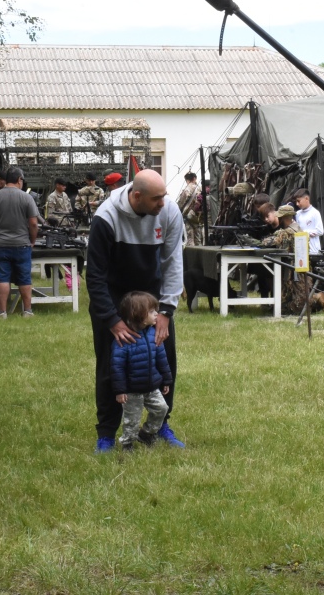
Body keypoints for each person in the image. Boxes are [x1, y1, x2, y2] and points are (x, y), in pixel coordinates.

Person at [87, 169, 185, 452]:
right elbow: (95, 276)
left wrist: (166, 310)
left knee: (164, 359)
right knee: (111, 364)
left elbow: (172, 261)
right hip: (114, 297)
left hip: (152, 300)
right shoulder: (106, 218)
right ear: (137, 196)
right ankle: (106, 433)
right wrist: (113, 321)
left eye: (164, 197)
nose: (162, 204)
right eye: (156, 199)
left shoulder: (169, 212)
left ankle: (160, 423)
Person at [111, 291, 174, 450]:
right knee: (131, 420)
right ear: (137, 314)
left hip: (152, 387)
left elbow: (161, 358)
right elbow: (117, 367)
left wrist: (166, 379)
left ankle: (146, 433)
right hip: (132, 391)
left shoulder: (153, 333)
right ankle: (127, 444)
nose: (157, 314)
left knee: (162, 409)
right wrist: (120, 390)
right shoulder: (124, 339)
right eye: (152, 311)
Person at [0, 166, 39, 318]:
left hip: (0, 245)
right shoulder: (27, 198)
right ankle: (27, 310)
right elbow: (33, 224)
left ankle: (2, 312)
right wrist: (32, 241)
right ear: (19, 180)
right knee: (24, 278)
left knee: (2, 278)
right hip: (22, 245)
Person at [260, 205, 310, 314]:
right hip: (300, 268)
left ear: (284, 218)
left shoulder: (286, 232)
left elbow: (268, 242)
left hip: (291, 270)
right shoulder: (298, 228)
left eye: (281, 217)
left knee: (291, 301)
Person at [293, 188, 324, 257]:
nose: (297, 204)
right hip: (300, 250)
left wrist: (304, 233)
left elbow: (320, 231)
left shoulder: (315, 213)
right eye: (296, 202)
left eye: (299, 201)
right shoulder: (297, 214)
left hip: (313, 251)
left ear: (306, 199)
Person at [176, 171, 204, 247]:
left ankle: (191, 256)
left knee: (189, 237)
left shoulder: (187, 189)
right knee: (198, 238)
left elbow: (180, 203)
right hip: (198, 216)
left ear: (187, 180)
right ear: (194, 178)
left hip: (188, 215)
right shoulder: (200, 189)